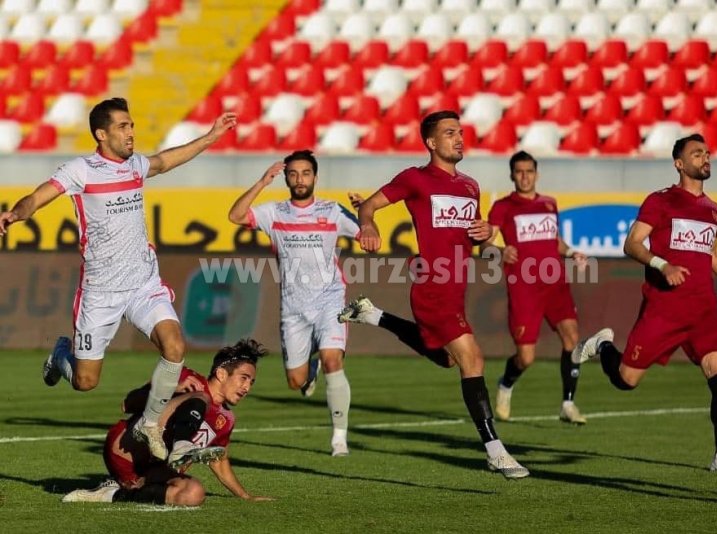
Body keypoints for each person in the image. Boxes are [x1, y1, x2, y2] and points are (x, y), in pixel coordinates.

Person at [0, 98, 237, 460]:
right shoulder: (81, 170)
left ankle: (150, 424)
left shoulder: (135, 165)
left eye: (132, 125)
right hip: (101, 292)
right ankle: (62, 353)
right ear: (102, 133)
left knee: (175, 347)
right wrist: (16, 214)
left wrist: (209, 137)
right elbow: (37, 198)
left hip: (144, 283)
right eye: (123, 127)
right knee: (85, 382)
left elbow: (164, 160)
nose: (131, 133)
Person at [353, 110, 529, 479]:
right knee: (473, 360)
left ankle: (374, 315)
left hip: (457, 288)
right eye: (450, 133)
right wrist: (367, 225)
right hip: (433, 286)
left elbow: (474, 239)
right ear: (431, 142)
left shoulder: (470, 186)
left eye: (461, 132)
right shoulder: (415, 179)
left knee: (449, 361)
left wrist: (486, 236)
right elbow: (368, 206)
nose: (459, 138)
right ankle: (495, 450)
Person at [572, 134, 717, 473]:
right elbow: (632, 244)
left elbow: (711, 251)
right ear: (679, 163)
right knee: (627, 379)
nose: (705, 158)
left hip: (704, 309)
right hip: (665, 307)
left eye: (707, 152)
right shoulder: (661, 201)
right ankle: (602, 344)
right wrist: (662, 265)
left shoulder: (714, 209)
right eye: (697, 153)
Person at [228, 150, 358, 457]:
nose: (300, 179)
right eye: (293, 174)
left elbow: (371, 237)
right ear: (286, 178)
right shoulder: (274, 212)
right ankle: (309, 369)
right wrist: (262, 181)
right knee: (295, 381)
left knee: (333, 361)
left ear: (315, 176)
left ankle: (339, 438)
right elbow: (235, 215)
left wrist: (365, 214)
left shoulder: (333, 210)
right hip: (294, 308)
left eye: (306, 173)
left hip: (330, 300)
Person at [62, 338, 272, 505]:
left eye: (251, 382)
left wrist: (245, 496)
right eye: (243, 378)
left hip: (152, 472)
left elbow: (219, 460)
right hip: (127, 448)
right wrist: (169, 389)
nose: (247, 387)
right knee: (201, 397)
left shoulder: (225, 420)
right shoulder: (187, 378)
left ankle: (113, 494)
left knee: (194, 493)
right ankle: (182, 447)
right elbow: (128, 403)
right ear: (221, 373)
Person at [481, 150, 590, 424]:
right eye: (519, 171)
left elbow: (554, 241)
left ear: (536, 174)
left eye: (529, 171)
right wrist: (500, 251)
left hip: (555, 284)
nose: (525, 176)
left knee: (572, 338)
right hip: (524, 289)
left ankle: (568, 403)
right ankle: (506, 383)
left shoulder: (549, 204)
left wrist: (572, 252)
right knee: (526, 357)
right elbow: (484, 245)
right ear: (512, 175)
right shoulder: (503, 207)